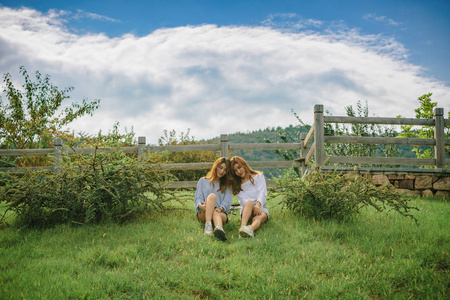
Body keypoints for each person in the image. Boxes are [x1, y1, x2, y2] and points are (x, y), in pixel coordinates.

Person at [228, 156, 269, 238]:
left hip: (261, 206)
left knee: (258, 218)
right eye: (235, 171)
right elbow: (244, 201)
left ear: (244, 165)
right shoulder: (237, 185)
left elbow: (262, 193)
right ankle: (242, 227)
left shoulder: (259, 176)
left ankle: (250, 229)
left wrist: (258, 206)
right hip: (246, 209)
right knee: (249, 202)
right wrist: (254, 207)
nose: (238, 171)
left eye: (239, 167)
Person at [195, 157, 232, 241]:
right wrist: (201, 206)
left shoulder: (227, 184)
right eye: (221, 167)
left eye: (225, 170)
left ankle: (219, 229)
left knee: (216, 213)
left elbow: (227, 200)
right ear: (216, 166)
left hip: (219, 212)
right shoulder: (203, 181)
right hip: (204, 211)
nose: (222, 171)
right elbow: (198, 197)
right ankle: (208, 227)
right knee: (212, 196)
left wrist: (220, 208)